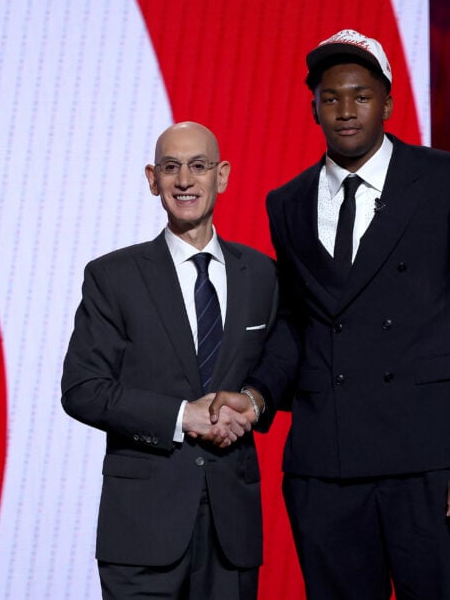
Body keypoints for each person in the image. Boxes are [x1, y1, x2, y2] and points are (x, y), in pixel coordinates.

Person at [210, 29, 450, 599]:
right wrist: (255, 396)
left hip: (430, 460)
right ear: (314, 108)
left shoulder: (448, 180)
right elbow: (297, 324)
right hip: (327, 466)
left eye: (361, 96)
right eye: (331, 98)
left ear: (388, 103)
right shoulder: (287, 201)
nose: (346, 111)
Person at [61, 121, 277, 600]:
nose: (185, 180)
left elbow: (282, 364)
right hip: (141, 529)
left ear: (221, 176)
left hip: (232, 531)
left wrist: (253, 401)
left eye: (198, 166)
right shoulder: (112, 276)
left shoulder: (261, 275)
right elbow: (82, 388)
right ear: (152, 179)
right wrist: (182, 416)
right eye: (171, 167)